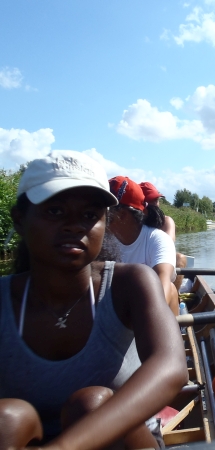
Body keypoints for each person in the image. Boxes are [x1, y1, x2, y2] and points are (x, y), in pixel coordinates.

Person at [0, 150, 188, 449]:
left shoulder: (132, 282)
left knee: (91, 404)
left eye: (89, 215)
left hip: (125, 441)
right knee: (8, 418)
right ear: (20, 220)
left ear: (106, 224)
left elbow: (172, 368)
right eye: (55, 211)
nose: (75, 226)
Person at [107, 177, 179, 315]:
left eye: (104, 210)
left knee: (171, 288)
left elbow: (161, 296)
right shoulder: (102, 241)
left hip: (146, 315)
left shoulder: (158, 239)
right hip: (117, 310)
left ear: (122, 215)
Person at [139, 181, 187, 290]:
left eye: (156, 200)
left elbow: (166, 246)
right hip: (140, 261)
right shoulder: (134, 222)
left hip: (159, 259)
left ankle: (174, 297)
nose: (155, 205)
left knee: (180, 258)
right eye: (150, 201)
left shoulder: (167, 221)